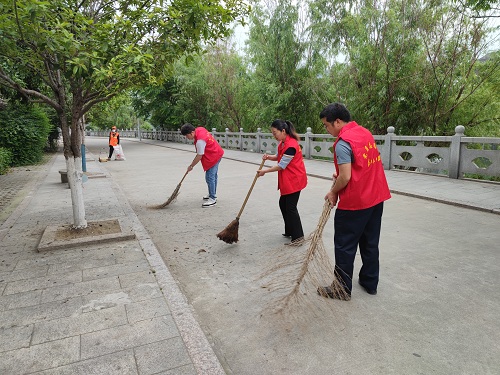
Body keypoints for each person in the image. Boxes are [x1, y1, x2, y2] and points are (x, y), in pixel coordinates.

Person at [317, 103, 391, 301]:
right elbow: (363, 163)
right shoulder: (364, 133)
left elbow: (346, 177)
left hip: (356, 202)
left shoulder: (342, 143)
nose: (327, 129)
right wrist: (343, 173)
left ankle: (341, 289)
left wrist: (333, 191)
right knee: (370, 242)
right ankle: (370, 282)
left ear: (338, 122)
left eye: (327, 125)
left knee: (344, 245)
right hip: (376, 198)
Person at [257, 119, 307, 244]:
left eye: (275, 133)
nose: (274, 135)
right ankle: (290, 230)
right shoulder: (283, 143)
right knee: (283, 204)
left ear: (283, 131)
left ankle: (298, 237)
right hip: (288, 179)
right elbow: (280, 157)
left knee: (290, 207)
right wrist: (269, 157)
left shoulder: (291, 145)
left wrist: (265, 171)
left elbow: (281, 165)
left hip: (295, 180)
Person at [180, 123, 224, 208]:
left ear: (192, 133)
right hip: (216, 152)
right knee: (213, 176)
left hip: (214, 156)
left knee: (210, 177)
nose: (187, 137)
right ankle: (212, 193)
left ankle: (212, 198)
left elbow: (199, 155)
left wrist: (191, 166)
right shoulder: (200, 129)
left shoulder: (200, 141)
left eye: (186, 135)